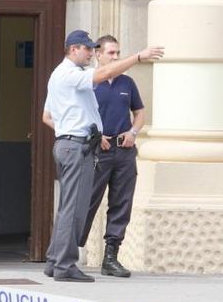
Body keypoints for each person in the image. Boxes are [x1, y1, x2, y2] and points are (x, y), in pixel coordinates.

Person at [42, 30, 163, 282]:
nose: (90, 53)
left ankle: (55, 261)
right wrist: (138, 57)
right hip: (77, 146)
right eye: (87, 48)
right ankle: (65, 265)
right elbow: (103, 74)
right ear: (73, 49)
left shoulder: (65, 74)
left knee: (69, 207)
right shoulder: (69, 74)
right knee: (75, 208)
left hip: (74, 145)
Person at [77, 35, 144, 278]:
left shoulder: (127, 82)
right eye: (111, 53)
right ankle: (68, 253)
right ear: (98, 54)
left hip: (123, 150)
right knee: (87, 201)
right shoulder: (89, 81)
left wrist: (133, 132)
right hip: (98, 150)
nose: (115, 57)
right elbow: (77, 114)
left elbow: (139, 112)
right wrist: (96, 135)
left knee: (121, 203)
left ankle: (111, 257)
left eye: (117, 53)